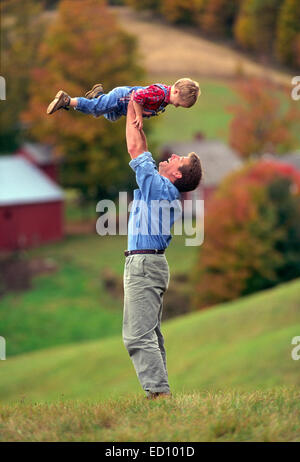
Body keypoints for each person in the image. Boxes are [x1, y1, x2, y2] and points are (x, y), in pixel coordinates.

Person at [123, 94, 202, 399]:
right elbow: (138, 145)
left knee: (137, 336)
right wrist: (133, 109)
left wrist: (132, 101)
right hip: (147, 264)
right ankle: (161, 395)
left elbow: (134, 149)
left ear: (177, 175)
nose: (170, 158)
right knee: (149, 335)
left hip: (144, 266)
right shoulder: (159, 186)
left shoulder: (162, 189)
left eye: (176, 161)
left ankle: (159, 397)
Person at [46, 78, 200, 129]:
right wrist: (139, 116)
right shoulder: (160, 94)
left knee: (111, 117)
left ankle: (98, 94)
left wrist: (146, 112)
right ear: (176, 92)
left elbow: (146, 102)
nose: (176, 106)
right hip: (122, 98)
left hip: (123, 106)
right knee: (97, 109)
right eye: (179, 104)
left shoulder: (165, 98)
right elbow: (138, 97)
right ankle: (67, 100)